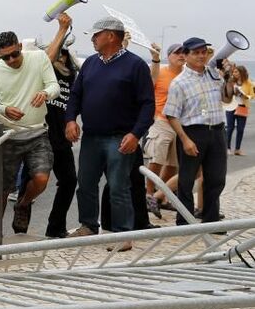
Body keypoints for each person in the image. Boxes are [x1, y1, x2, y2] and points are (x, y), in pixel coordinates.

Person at [64, 17, 154, 246]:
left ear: (111, 36)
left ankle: (123, 234)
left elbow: (147, 104)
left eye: (96, 34)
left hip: (120, 137)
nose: (93, 39)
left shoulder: (136, 65)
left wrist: (136, 134)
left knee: (118, 186)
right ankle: (88, 226)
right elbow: (75, 95)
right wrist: (70, 120)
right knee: (85, 184)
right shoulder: (91, 64)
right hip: (92, 136)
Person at [0, 30, 60, 234]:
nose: (10, 60)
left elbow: (54, 86)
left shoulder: (38, 58)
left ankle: (23, 203)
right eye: (5, 57)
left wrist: (45, 93)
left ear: (20, 46)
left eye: (14, 54)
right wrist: (4, 109)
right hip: (9, 136)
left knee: (42, 178)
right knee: (2, 188)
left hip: (37, 132)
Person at [164, 37, 235, 225]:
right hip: (192, 132)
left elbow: (227, 100)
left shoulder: (214, 75)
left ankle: (210, 220)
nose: (201, 56)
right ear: (186, 56)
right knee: (186, 181)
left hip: (217, 132)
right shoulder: (179, 83)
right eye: (196, 53)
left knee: (216, 179)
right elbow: (171, 115)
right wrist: (185, 139)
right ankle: (184, 222)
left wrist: (229, 80)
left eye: (204, 52)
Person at [40, 13, 80, 238]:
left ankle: (55, 227)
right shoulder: (47, 71)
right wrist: (61, 30)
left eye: (66, 55)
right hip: (42, 135)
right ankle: (21, 218)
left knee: (68, 181)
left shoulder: (73, 75)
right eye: (60, 54)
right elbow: (47, 59)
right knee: (34, 180)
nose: (62, 59)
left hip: (62, 138)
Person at [144, 43, 186, 213]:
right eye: (177, 53)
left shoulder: (186, 75)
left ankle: (161, 196)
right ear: (169, 56)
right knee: (156, 159)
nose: (181, 56)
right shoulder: (161, 72)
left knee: (173, 165)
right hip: (160, 120)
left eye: (184, 53)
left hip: (180, 123)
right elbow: (148, 87)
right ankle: (147, 194)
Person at [226, 65, 252, 155]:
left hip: (242, 107)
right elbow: (226, 93)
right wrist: (232, 92)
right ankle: (227, 148)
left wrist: (244, 95)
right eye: (234, 72)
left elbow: (252, 95)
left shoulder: (248, 83)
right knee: (230, 128)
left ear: (242, 72)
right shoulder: (231, 82)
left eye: (236, 72)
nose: (234, 73)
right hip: (231, 106)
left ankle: (237, 149)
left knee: (240, 129)